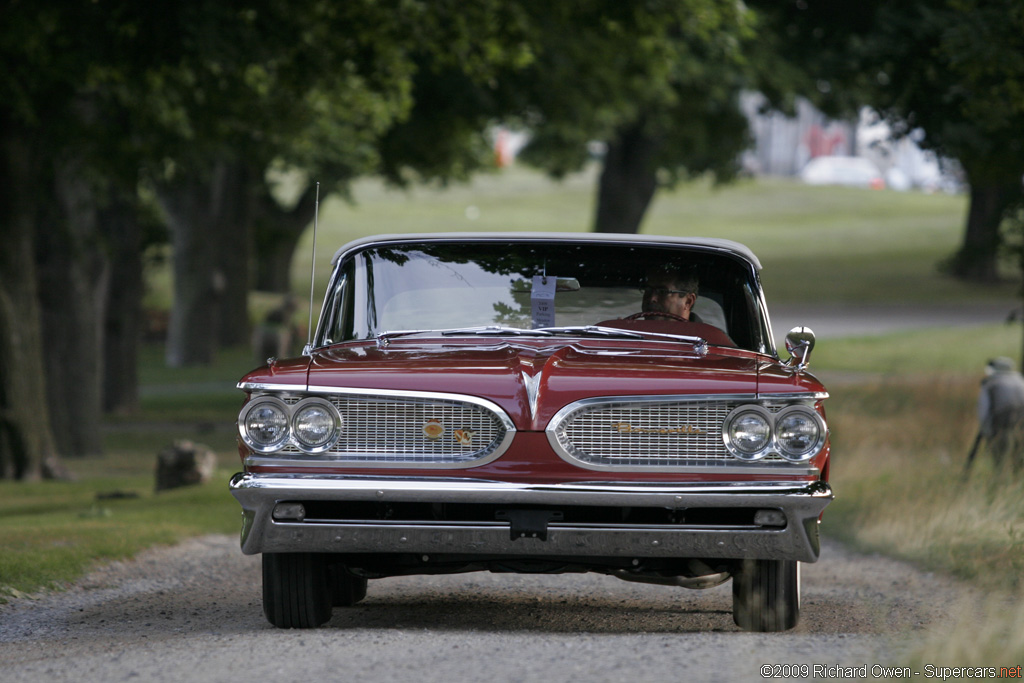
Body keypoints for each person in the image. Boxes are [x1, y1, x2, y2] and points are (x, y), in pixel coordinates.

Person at [978, 357, 1024, 472]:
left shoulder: (991, 384)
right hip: (1021, 427)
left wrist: (987, 432)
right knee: (1018, 459)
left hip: (1000, 427)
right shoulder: (1020, 381)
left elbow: (984, 410)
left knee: (999, 460)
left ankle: (998, 483)